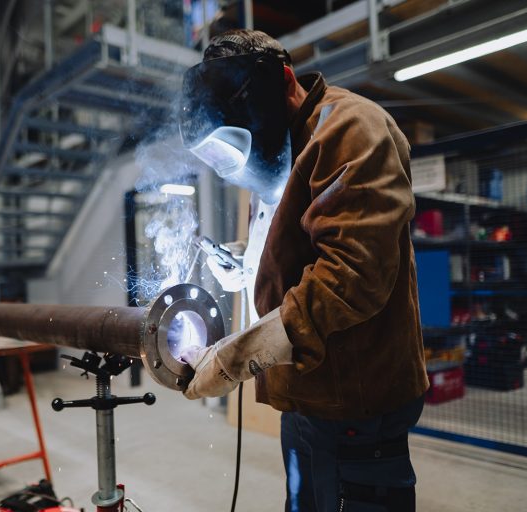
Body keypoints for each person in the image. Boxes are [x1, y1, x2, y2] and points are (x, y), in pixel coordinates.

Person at [178, 29, 428, 512]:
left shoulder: (350, 128)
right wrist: (245, 261)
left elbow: (351, 274)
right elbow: (294, 238)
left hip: (357, 395)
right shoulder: (283, 142)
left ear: (285, 81)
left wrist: (235, 358)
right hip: (306, 386)